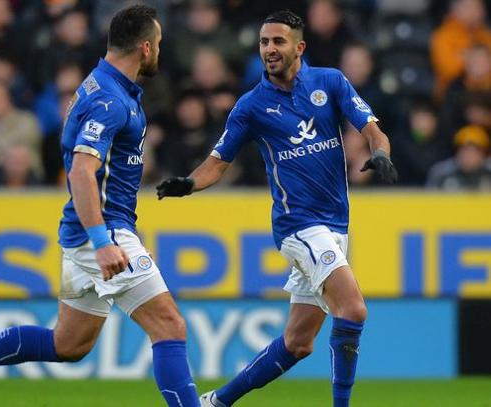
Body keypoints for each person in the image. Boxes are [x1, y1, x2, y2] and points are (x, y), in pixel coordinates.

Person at [0, 5, 201, 407]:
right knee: (170, 326)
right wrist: (103, 241)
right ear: (146, 48)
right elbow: (82, 173)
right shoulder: (111, 102)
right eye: (160, 45)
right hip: (97, 235)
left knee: (69, 344)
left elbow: (102, 177)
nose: (160, 52)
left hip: (93, 231)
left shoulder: (102, 88)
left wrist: (120, 234)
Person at [156, 10, 397, 407]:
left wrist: (382, 153)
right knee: (353, 309)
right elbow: (218, 162)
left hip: (335, 225)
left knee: (298, 343)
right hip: (298, 226)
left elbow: (372, 129)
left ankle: (216, 401)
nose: (269, 49)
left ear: (299, 47)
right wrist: (189, 183)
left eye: (278, 42)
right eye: (265, 42)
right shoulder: (252, 106)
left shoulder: (329, 83)